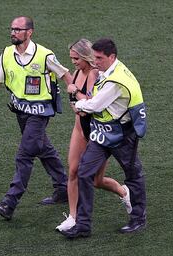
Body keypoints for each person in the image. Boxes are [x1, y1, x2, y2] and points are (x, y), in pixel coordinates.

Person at [0, 16, 72, 221]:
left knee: (25, 154)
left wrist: (74, 95)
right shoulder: (7, 53)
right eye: (12, 29)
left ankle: (9, 202)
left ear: (30, 32)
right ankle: (63, 188)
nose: (13, 32)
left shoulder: (45, 55)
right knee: (43, 148)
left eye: (18, 30)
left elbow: (65, 75)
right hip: (21, 112)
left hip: (40, 112)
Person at [60, 38, 148, 239]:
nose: (95, 61)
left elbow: (95, 105)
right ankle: (82, 225)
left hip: (123, 135)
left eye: (99, 58)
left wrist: (77, 105)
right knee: (84, 173)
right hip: (102, 132)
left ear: (112, 57)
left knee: (133, 176)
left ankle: (138, 219)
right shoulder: (107, 71)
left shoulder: (115, 82)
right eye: (94, 57)